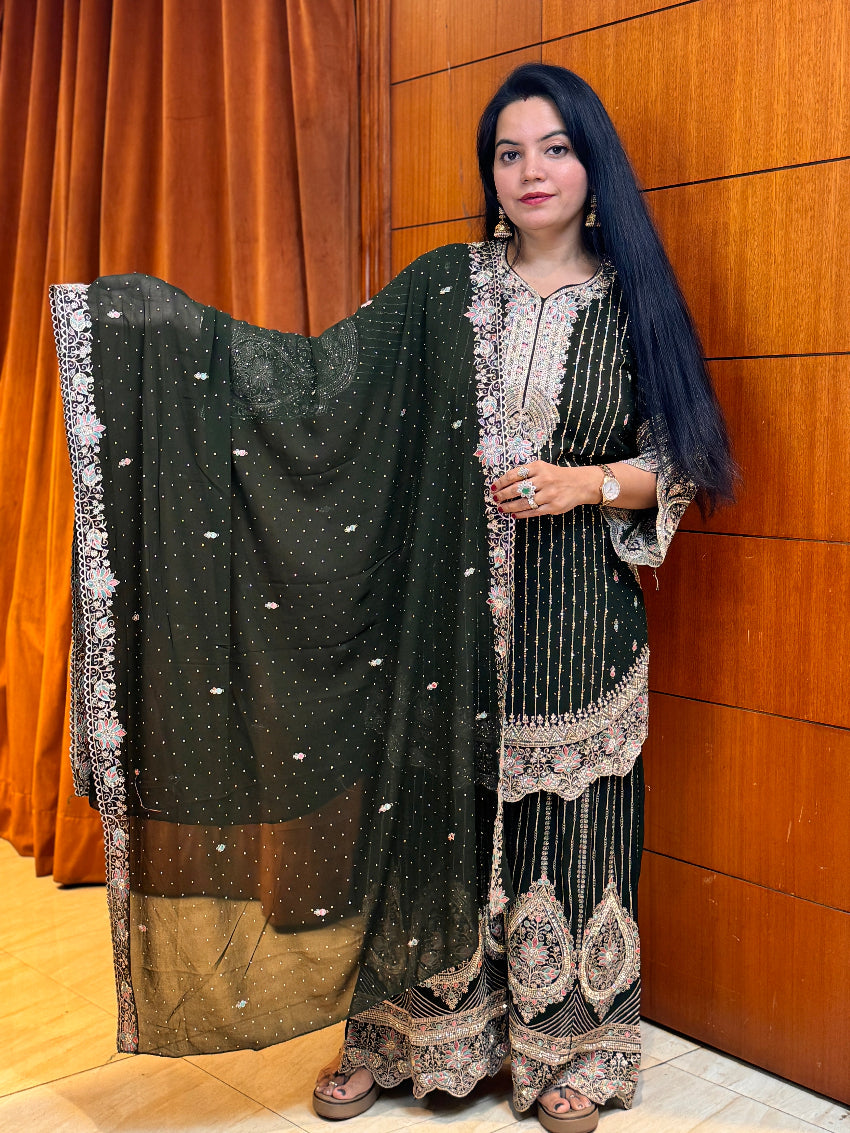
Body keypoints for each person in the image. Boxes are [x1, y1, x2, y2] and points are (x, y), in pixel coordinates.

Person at [51, 63, 733, 1133]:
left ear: (592, 163)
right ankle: (398, 1034)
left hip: (576, 623)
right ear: (490, 174)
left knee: (571, 825)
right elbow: (321, 388)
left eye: (553, 147)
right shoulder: (442, 287)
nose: (530, 170)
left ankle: (574, 1046)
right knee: (431, 818)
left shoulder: (634, 298)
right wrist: (159, 337)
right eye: (508, 152)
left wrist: (584, 483)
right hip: (435, 617)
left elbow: (678, 460)